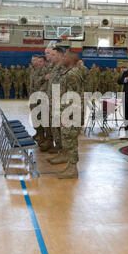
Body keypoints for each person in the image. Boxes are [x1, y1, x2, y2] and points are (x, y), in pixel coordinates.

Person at [48, 51, 83, 179]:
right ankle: (70, 166)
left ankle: (73, 169)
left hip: (72, 114)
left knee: (70, 141)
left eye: (65, 56)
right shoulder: (67, 72)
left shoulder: (72, 74)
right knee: (67, 140)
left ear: (71, 59)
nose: (63, 58)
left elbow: (74, 97)